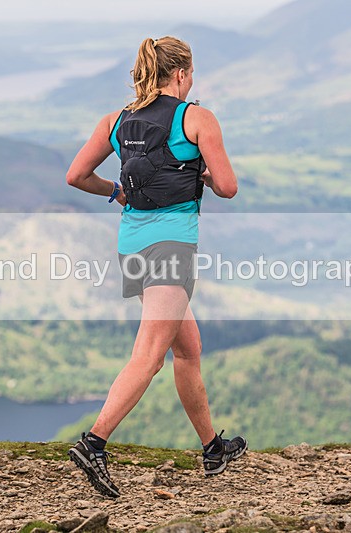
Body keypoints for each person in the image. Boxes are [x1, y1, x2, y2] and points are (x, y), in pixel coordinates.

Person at [64, 35, 245, 498]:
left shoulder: (116, 121)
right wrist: (201, 172)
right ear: (181, 73)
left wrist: (115, 191)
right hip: (172, 249)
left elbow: (76, 175)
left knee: (188, 349)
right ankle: (94, 442)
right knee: (148, 356)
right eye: (191, 73)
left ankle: (212, 449)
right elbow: (227, 187)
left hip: (133, 245)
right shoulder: (197, 118)